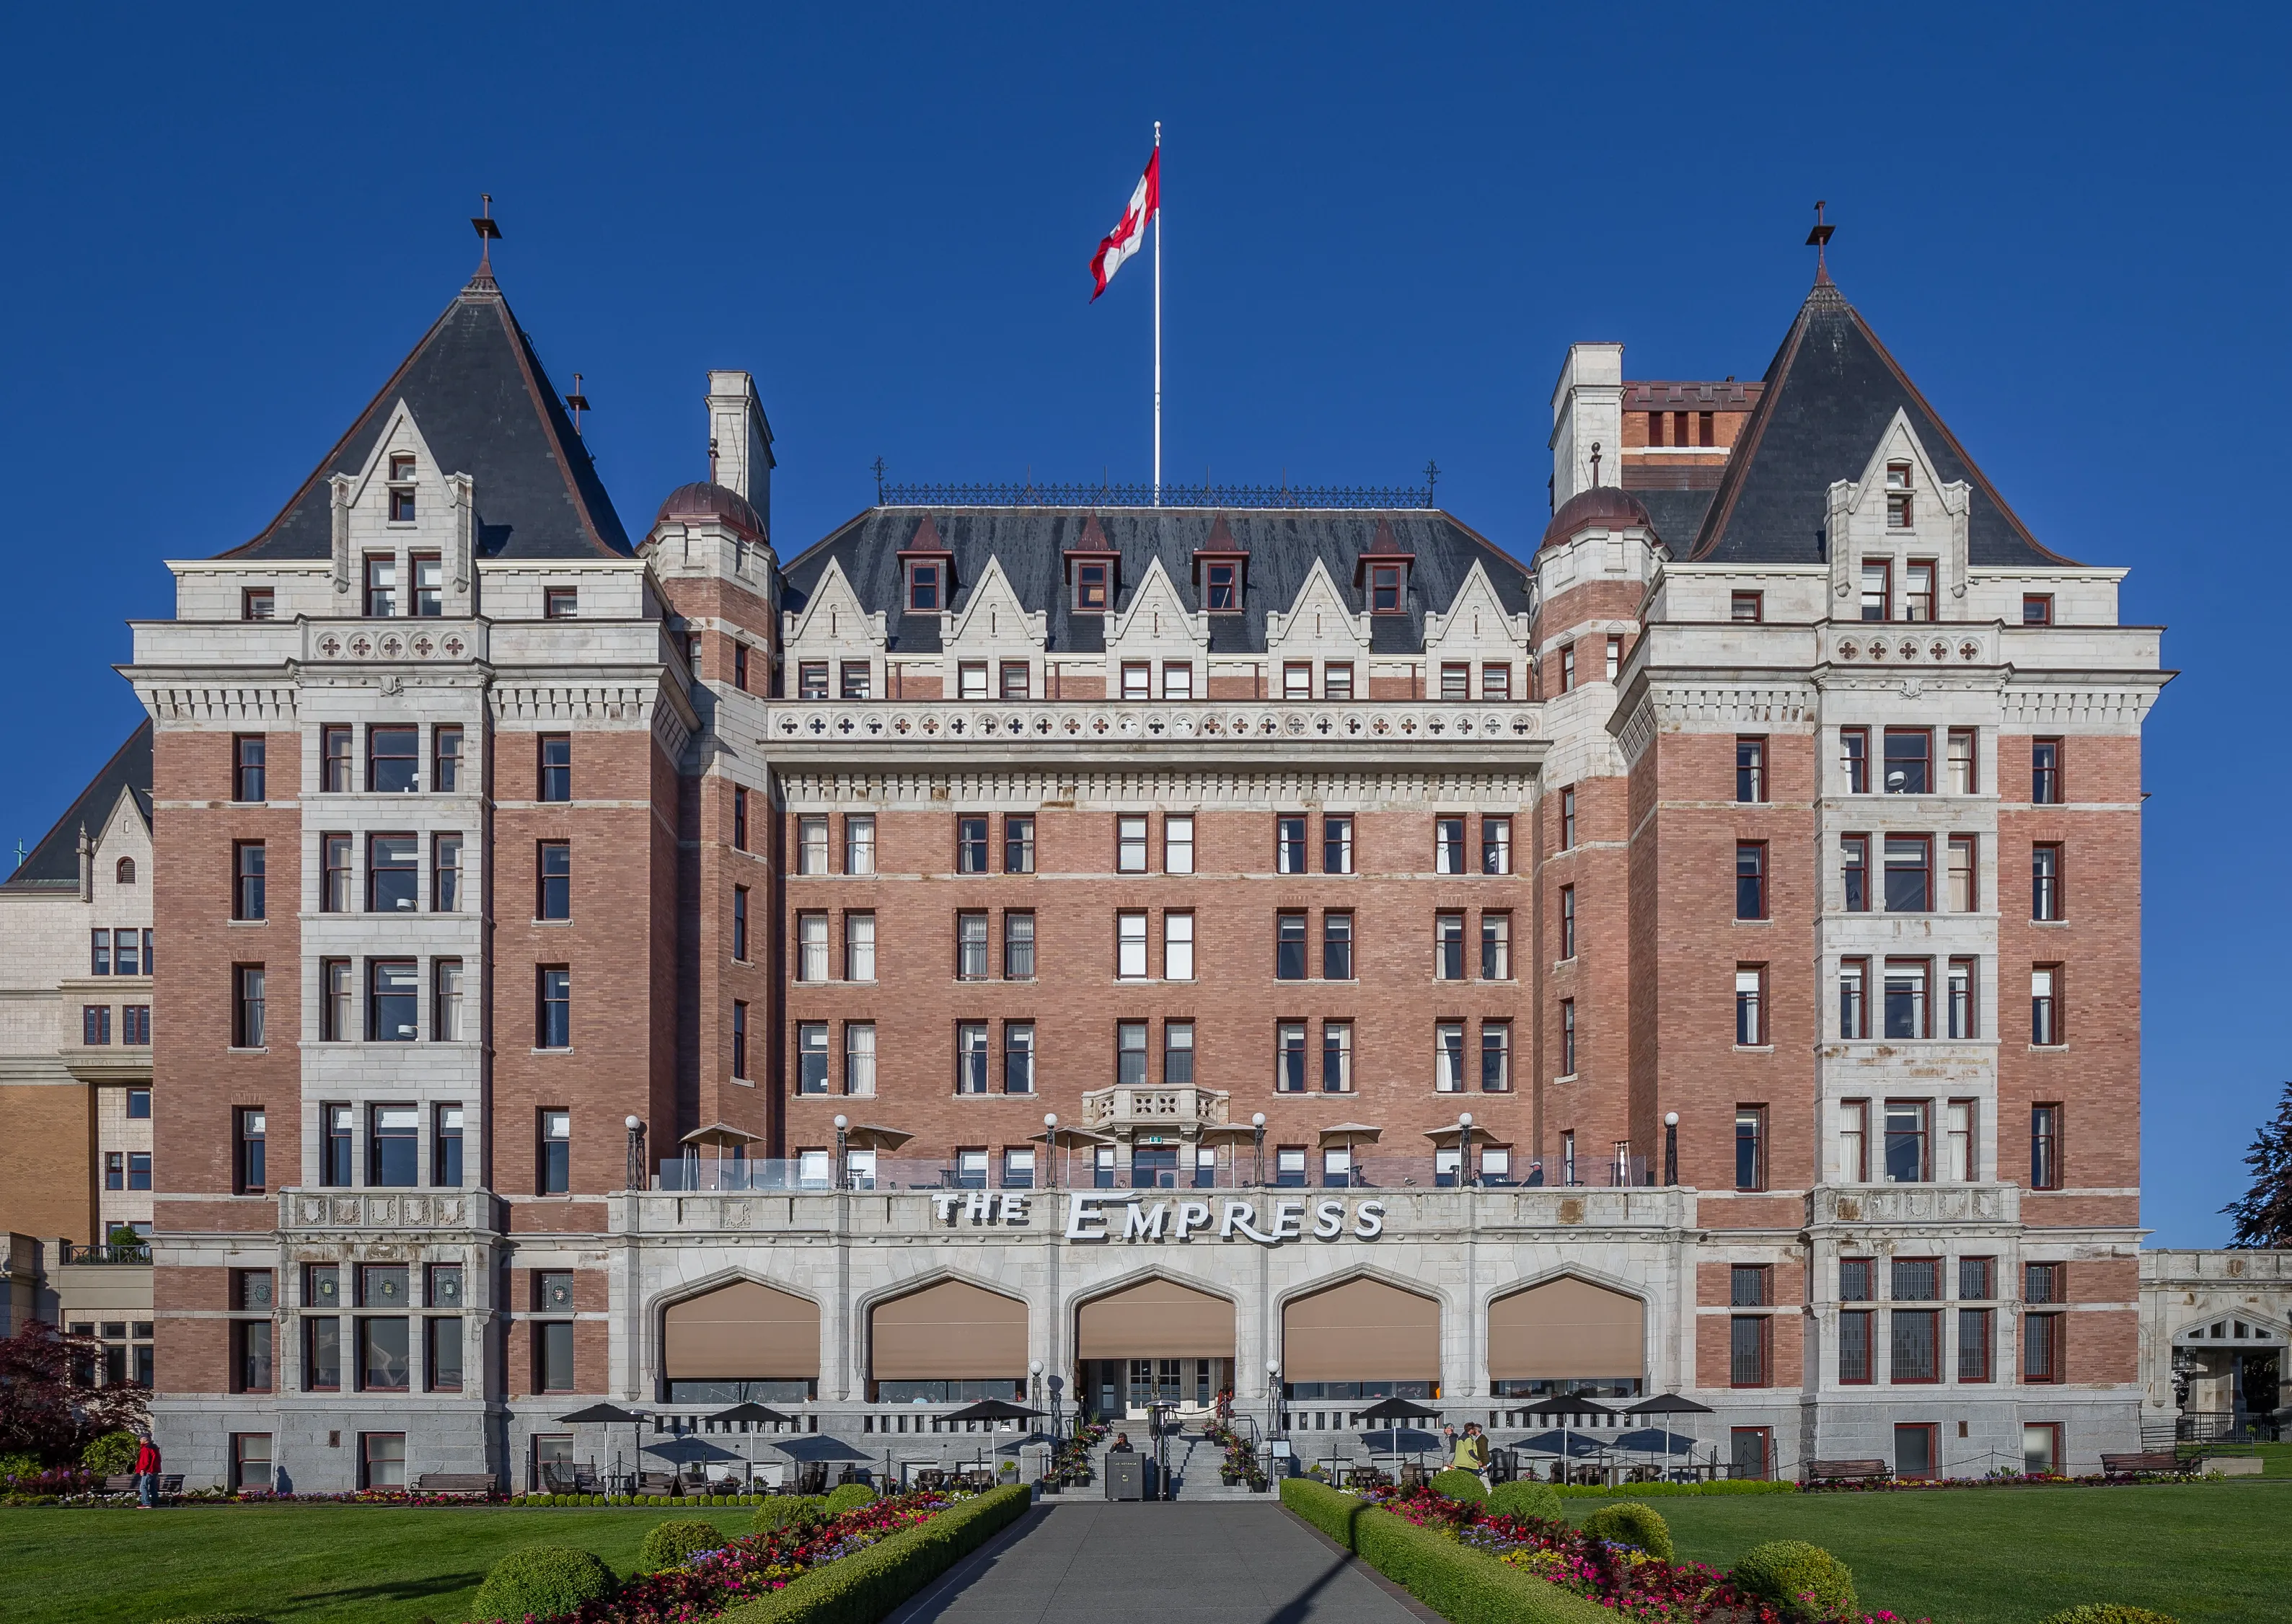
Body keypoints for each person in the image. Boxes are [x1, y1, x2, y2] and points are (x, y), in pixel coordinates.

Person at [1443, 1421, 1489, 1486]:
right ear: (1471, 1430)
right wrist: (1478, 1461)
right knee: (1470, 1484)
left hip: (1460, 1463)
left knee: (1462, 1483)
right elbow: (1470, 1452)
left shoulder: (1461, 1437)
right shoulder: (1467, 1439)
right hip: (1467, 1464)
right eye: (1474, 1429)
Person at [133, 1431, 161, 1509]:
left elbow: (145, 1461)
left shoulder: (145, 1448)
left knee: (143, 1487)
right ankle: (155, 1503)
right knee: (153, 1488)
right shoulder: (155, 1448)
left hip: (148, 1471)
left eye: (141, 1439)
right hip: (155, 1470)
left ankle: (146, 1503)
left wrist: (142, 1470)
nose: (140, 1440)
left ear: (145, 1439)